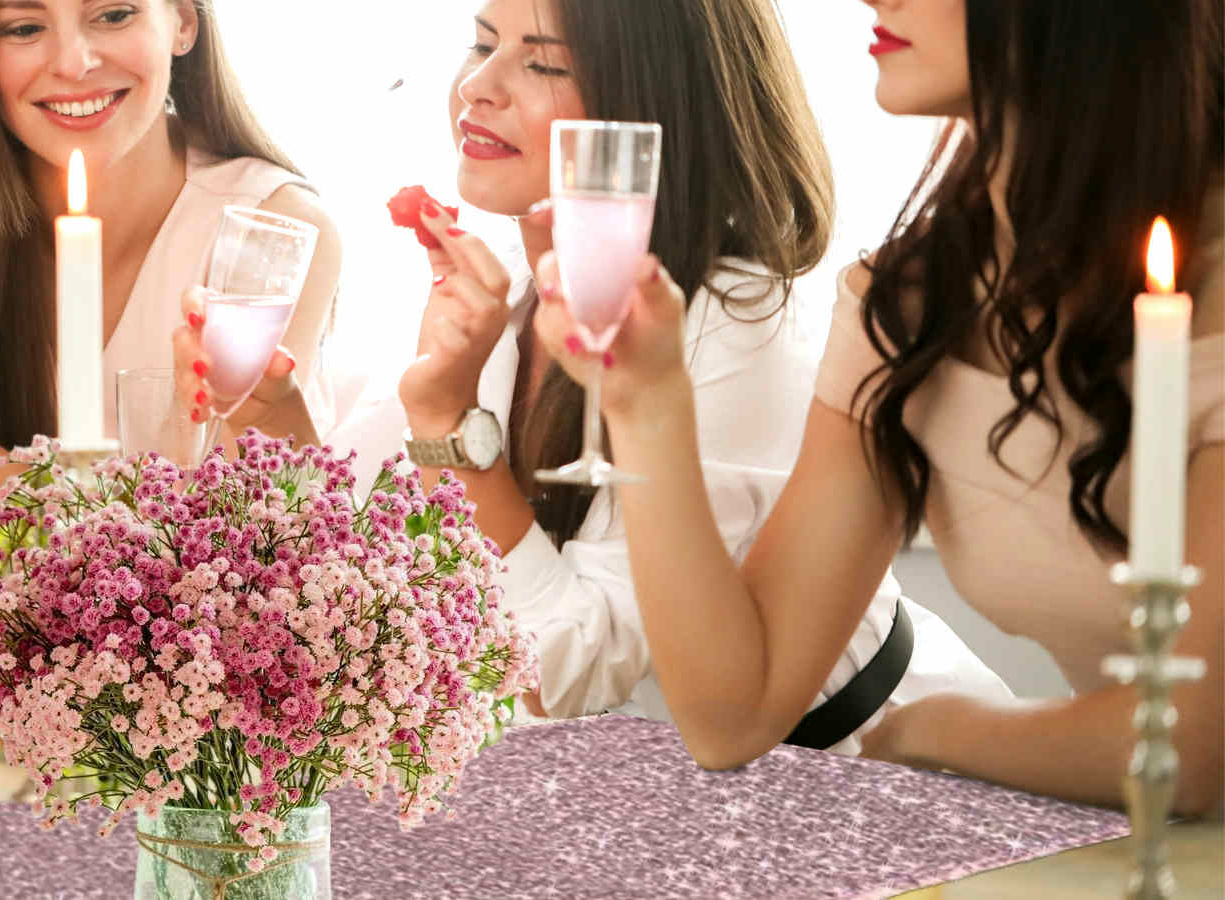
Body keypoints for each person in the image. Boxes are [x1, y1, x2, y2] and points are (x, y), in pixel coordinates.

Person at [175, 0, 1012, 754]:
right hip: (633, 788)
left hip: (865, 776)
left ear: (651, 111)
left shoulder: (743, 323)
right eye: (481, 43)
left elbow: (566, 672)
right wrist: (270, 412)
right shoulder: (511, 282)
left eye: (543, 63)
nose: (477, 87)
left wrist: (453, 427)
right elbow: (367, 570)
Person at [530, 0, 1222, 812]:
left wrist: (936, 727)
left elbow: (1195, 743)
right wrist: (648, 406)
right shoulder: (914, 302)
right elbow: (733, 714)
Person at [0, 0, 343, 565]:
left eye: (114, 15)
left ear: (183, 22)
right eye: (24, 28)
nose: (73, 63)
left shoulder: (274, 228)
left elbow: (210, 588)